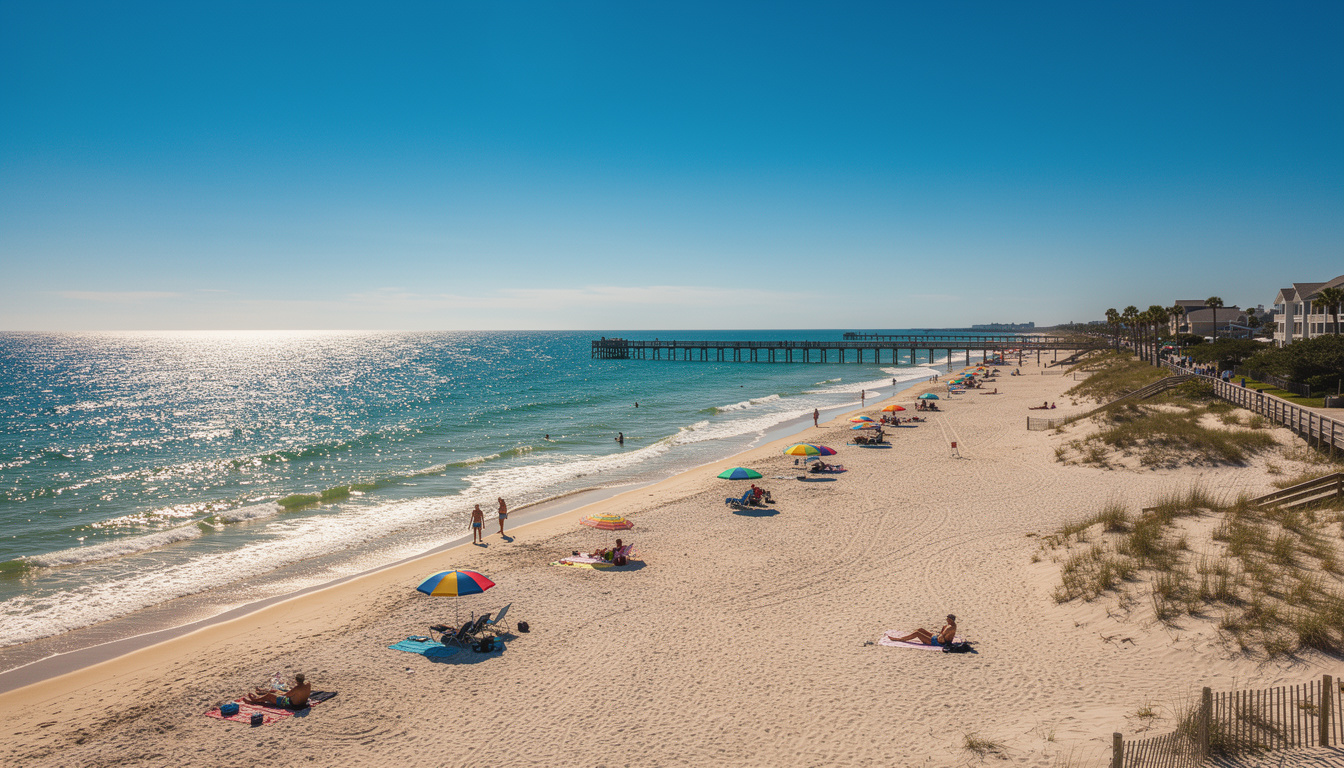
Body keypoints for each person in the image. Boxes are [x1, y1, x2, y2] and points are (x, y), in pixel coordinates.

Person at [887, 615, 957, 647]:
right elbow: (941, 634)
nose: (946, 620)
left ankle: (901, 639)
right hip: (936, 638)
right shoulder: (949, 625)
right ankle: (908, 637)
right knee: (920, 629)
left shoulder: (950, 627)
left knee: (917, 633)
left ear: (950, 620)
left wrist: (938, 636)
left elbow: (942, 638)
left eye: (947, 619)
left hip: (936, 642)